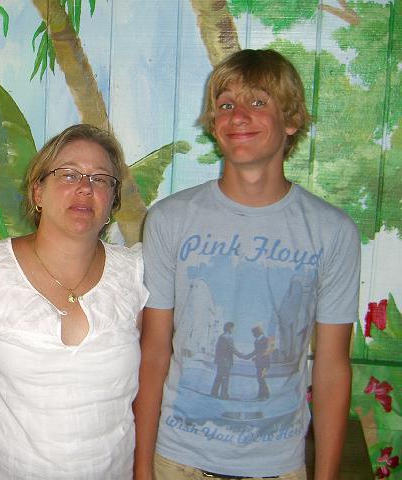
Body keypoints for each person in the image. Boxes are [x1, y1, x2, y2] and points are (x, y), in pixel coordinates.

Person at [135, 49, 360, 480]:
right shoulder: (169, 219)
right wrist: (142, 468)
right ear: (213, 124)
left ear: (291, 120)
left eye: (258, 101)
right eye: (225, 105)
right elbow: (155, 351)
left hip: (279, 467)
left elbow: (332, 367)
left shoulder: (332, 231)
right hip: (176, 461)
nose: (238, 116)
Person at [0, 124, 148, 478]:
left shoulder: (136, 273)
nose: (85, 187)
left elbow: (153, 381)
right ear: (38, 192)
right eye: (69, 174)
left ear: (112, 202)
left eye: (100, 179)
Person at [211, 322, 242, 400]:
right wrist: (242, 355)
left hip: (220, 360)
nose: (233, 330)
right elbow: (232, 349)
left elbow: (217, 349)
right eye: (232, 328)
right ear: (230, 328)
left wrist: (216, 359)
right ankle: (224, 395)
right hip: (226, 361)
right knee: (225, 377)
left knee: (219, 376)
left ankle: (214, 393)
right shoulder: (229, 337)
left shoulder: (221, 336)